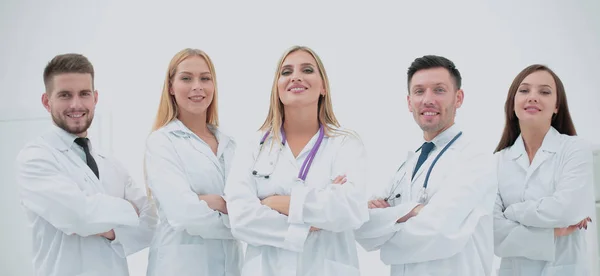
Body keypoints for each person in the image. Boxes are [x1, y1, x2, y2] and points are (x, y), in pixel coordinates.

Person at [223, 45, 369, 276]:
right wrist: (310, 222)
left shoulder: (345, 143)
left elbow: (351, 208)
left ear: (323, 87)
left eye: (308, 70)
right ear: (277, 88)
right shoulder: (254, 146)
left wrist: (274, 203)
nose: (296, 77)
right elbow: (241, 218)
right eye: (286, 72)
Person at [354, 55, 497, 275]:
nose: (427, 99)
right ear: (409, 102)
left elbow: (438, 230)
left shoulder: (475, 158)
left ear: (458, 98)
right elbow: (362, 224)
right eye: (419, 91)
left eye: (439, 90)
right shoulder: (407, 164)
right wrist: (412, 211)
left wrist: (390, 222)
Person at [15, 53, 156, 276]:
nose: (76, 104)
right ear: (46, 101)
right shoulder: (35, 158)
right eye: (64, 95)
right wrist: (129, 209)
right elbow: (78, 216)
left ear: (95, 98)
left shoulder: (111, 163)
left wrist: (110, 232)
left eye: (84, 94)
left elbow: (150, 223)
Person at [144, 48, 243, 276]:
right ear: (171, 87)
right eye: (186, 78)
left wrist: (213, 202)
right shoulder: (162, 142)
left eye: (205, 78)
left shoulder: (230, 145)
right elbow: (183, 213)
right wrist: (238, 220)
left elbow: (250, 204)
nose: (197, 86)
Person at [492, 64, 595, 275]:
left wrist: (512, 212)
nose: (533, 97)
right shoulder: (497, 162)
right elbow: (495, 234)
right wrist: (553, 232)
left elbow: (567, 210)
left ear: (557, 106)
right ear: (513, 103)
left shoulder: (575, 149)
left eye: (544, 92)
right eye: (524, 90)